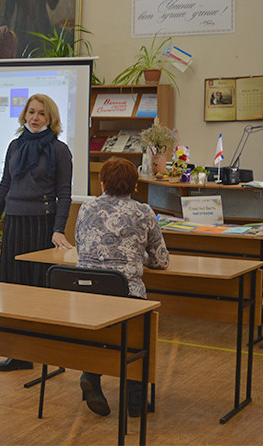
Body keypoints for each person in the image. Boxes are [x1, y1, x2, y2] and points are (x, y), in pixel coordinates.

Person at [0, 93, 73, 371]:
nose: (35, 118)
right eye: (31, 112)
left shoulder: (59, 150)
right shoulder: (15, 146)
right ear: (24, 115)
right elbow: (4, 185)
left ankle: (42, 350)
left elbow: (64, 194)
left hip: (40, 225)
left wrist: (58, 229)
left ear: (51, 119)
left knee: (36, 291)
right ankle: (19, 353)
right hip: (15, 223)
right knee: (12, 288)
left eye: (41, 114)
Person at [75, 157, 169, 417]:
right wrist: (139, 257)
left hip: (85, 294)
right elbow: (161, 261)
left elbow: (81, 245)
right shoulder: (143, 212)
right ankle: (135, 400)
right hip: (126, 294)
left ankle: (91, 376)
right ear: (134, 186)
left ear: (102, 182)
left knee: (101, 331)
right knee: (137, 338)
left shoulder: (86, 207)